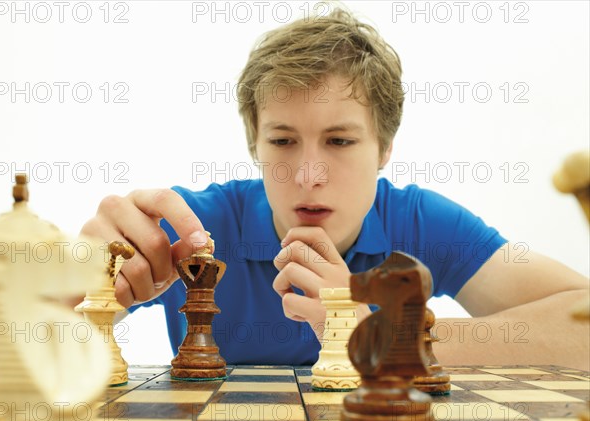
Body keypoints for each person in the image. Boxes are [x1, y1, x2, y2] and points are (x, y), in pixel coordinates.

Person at [81, 8, 589, 370]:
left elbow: (581, 325)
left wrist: (384, 339)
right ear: (255, 144)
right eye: (282, 141)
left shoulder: (419, 223)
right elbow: (17, 342)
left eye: (340, 140)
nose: (307, 175)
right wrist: (74, 280)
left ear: (384, 148)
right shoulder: (193, 230)